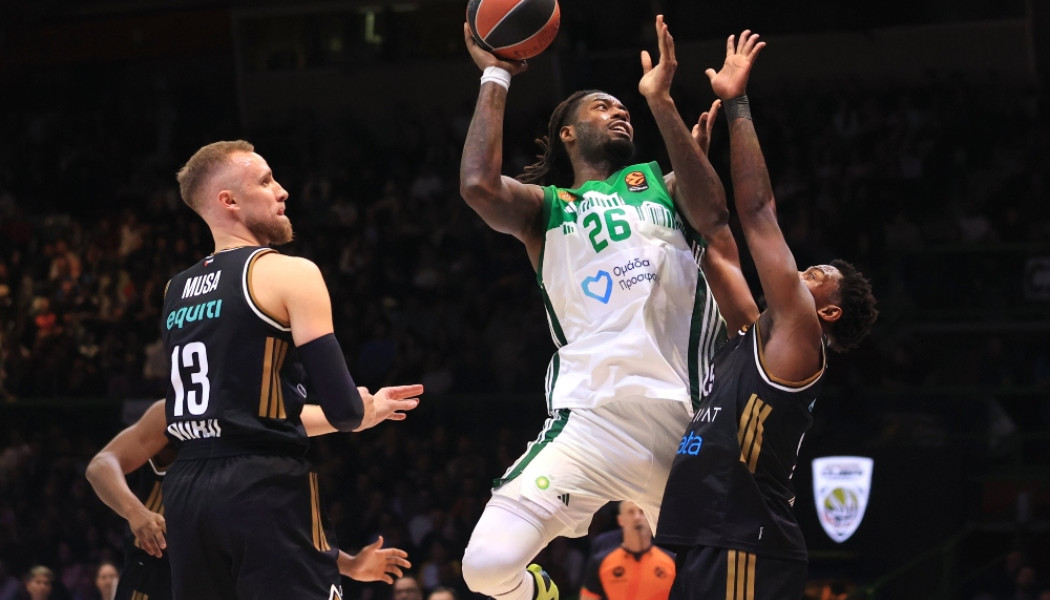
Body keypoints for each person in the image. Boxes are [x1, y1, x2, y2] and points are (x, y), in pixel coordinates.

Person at [458, 14, 733, 600]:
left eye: (623, 107)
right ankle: (540, 594)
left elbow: (714, 213)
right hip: (590, 420)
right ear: (567, 133)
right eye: (602, 107)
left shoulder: (662, 185)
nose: (618, 112)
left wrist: (660, 102)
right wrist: (496, 77)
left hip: (686, 426)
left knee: (728, 586)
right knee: (484, 566)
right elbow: (478, 186)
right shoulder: (546, 209)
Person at [655, 31, 879, 599]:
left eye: (817, 275)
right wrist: (690, 162)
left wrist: (737, 103)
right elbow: (716, 239)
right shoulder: (753, 332)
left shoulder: (801, 336)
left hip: (745, 539)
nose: (803, 271)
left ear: (829, 311)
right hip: (711, 535)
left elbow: (756, 211)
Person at [161, 139, 424, 600]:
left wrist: (367, 411)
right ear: (229, 201)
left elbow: (253, 414)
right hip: (263, 485)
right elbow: (344, 410)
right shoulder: (290, 273)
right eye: (265, 181)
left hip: (186, 490)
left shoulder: (175, 290)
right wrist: (361, 410)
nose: (282, 190)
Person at [85, 400, 414, 600]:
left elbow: (276, 535)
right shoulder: (174, 412)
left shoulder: (257, 427)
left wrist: (349, 565)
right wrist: (135, 512)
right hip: (156, 574)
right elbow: (101, 466)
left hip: (223, 574)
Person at [579, 501, 675, 600]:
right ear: (620, 520)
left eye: (642, 512)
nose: (637, 517)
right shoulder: (600, 562)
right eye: (631, 512)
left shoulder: (672, 561)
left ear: (652, 518)